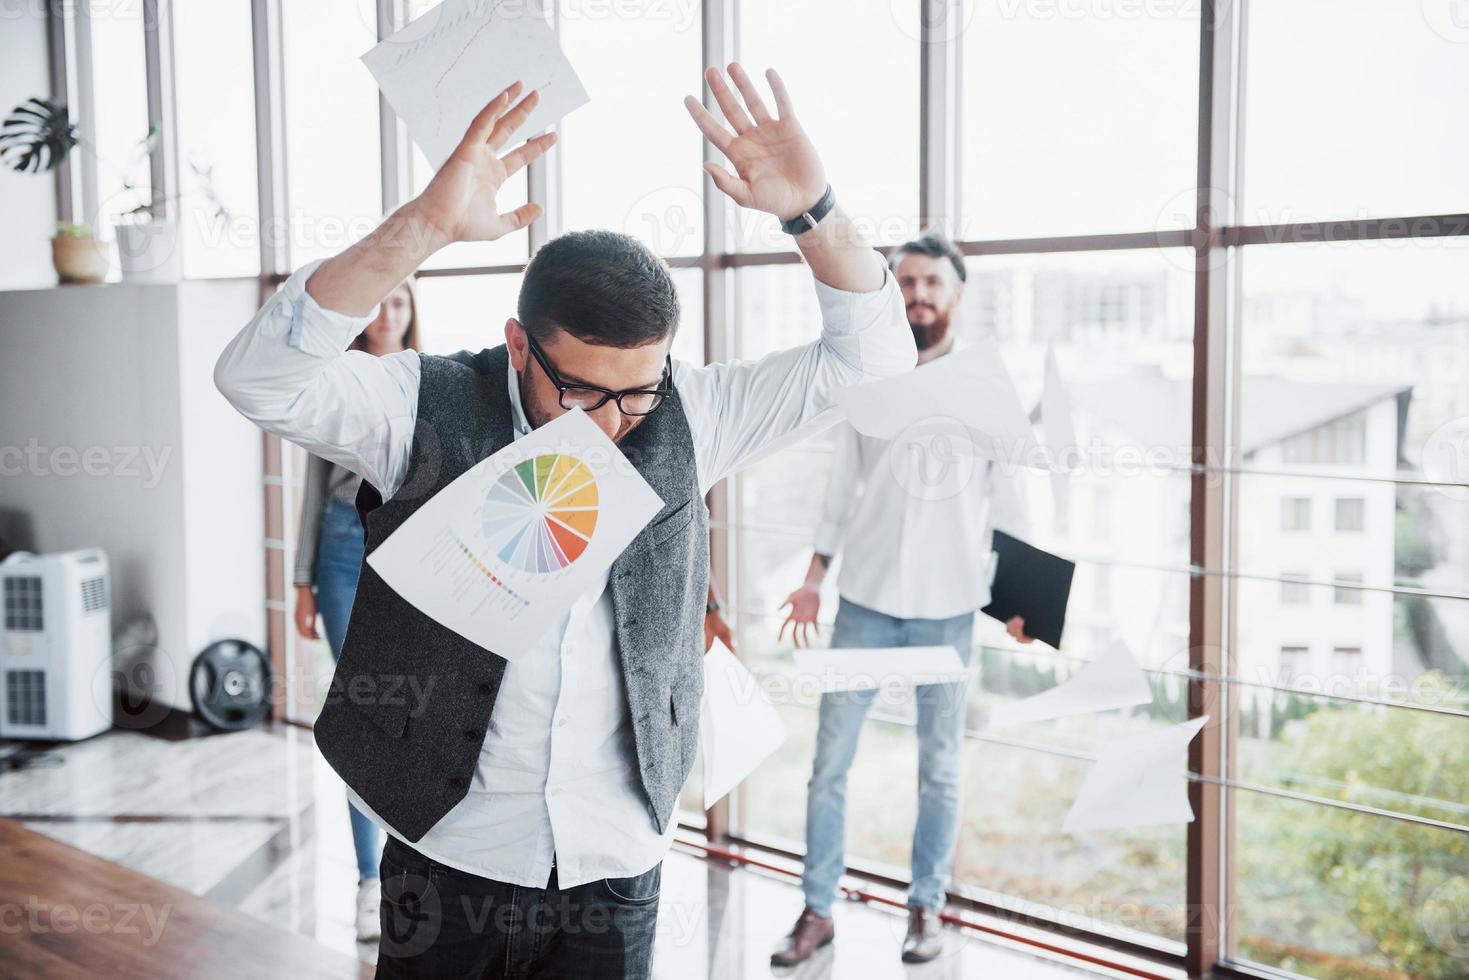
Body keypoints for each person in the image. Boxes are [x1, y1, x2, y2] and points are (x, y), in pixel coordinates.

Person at [214, 64, 915, 979]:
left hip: (613, 852)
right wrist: (422, 225)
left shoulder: (691, 413)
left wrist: (812, 212)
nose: (612, 422)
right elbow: (257, 378)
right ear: (518, 344)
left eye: (637, 390)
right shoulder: (419, 405)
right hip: (446, 845)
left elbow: (875, 361)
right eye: (579, 389)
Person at [771, 233, 1034, 967]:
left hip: (949, 607)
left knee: (941, 768)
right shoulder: (872, 378)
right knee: (828, 766)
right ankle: (816, 912)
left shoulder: (987, 385)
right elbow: (840, 487)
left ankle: (926, 909)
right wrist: (814, 575)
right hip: (864, 600)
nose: (917, 294)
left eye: (930, 283)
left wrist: (1022, 602)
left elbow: (1009, 502)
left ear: (956, 295)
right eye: (906, 282)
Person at [291, 278, 420, 943]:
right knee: (361, 712)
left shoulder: (429, 382)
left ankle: (410, 871)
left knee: (411, 711)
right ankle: (370, 881)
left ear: (410, 314)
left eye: (400, 302)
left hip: (405, 547)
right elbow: (312, 487)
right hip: (342, 548)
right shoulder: (336, 379)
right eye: (379, 302)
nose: (387, 313)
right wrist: (301, 581)